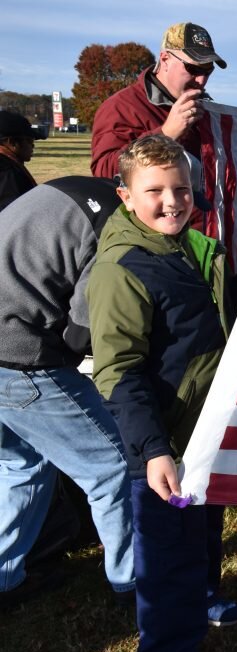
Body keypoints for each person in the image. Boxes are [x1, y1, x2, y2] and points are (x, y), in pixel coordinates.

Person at [88, 135, 237, 652]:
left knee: (202, 529)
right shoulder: (122, 268)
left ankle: (203, 597)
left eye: (181, 188)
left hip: (202, 427)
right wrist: (152, 448)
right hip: (161, 438)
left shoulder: (188, 245)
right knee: (166, 553)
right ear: (126, 196)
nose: (172, 201)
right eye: (155, 191)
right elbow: (118, 369)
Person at [0, 177, 134, 610]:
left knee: (21, 465)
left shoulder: (71, 187)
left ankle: (3, 576)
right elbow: (80, 332)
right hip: (18, 356)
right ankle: (134, 583)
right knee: (114, 467)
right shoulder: (114, 225)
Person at [90, 22, 237, 181]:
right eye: (193, 69)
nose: (201, 81)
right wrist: (164, 135)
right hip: (158, 220)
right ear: (165, 59)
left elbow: (224, 164)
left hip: (205, 218)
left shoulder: (203, 106)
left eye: (208, 71)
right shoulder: (122, 106)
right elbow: (103, 171)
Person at [0, 111, 41, 211]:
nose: (33, 146)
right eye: (29, 141)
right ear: (12, 143)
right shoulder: (8, 173)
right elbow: (17, 216)